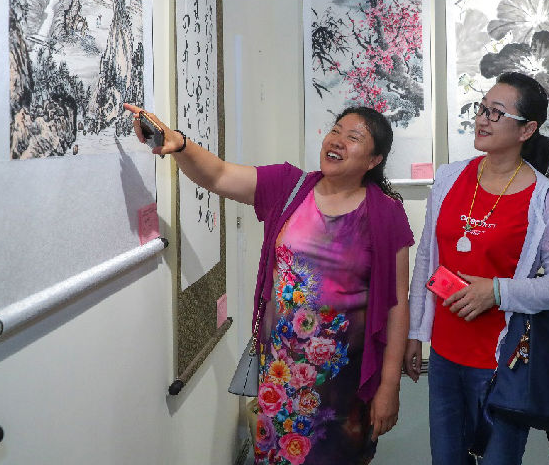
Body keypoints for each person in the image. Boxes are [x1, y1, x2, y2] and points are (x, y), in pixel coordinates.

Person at [124, 103, 413, 465]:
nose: (337, 140)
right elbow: (218, 175)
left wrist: (389, 385)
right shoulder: (289, 186)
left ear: (374, 160)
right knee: (280, 455)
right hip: (281, 370)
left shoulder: (385, 214)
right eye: (335, 130)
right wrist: (179, 143)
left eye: (353, 137)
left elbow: (397, 304)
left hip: (344, 381)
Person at [404, 71, 549, 465]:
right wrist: (415, 332)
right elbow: (427, 260)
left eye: (496, 113)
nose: (482, 119)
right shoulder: (449, 178)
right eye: (482, 109)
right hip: (445, 356)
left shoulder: (545, 201)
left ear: (526, 129)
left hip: (503, 362)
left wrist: (496, 291)